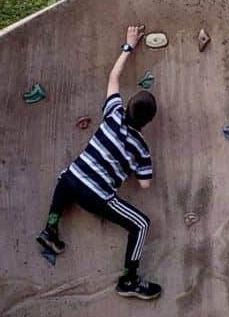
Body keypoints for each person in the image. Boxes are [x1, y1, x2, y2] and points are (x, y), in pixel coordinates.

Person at [36, 24, 161, 300]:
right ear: (148, 122)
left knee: (67, 174)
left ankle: (51, 227)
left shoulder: (113, 114)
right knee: (140, 224)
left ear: (126, 106)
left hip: (71, 181)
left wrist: (129, 45)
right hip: (96, 197)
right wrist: (132, 166)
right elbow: (144, 184)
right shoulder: (141, 148)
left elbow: (113, 76)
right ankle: (129, 279)